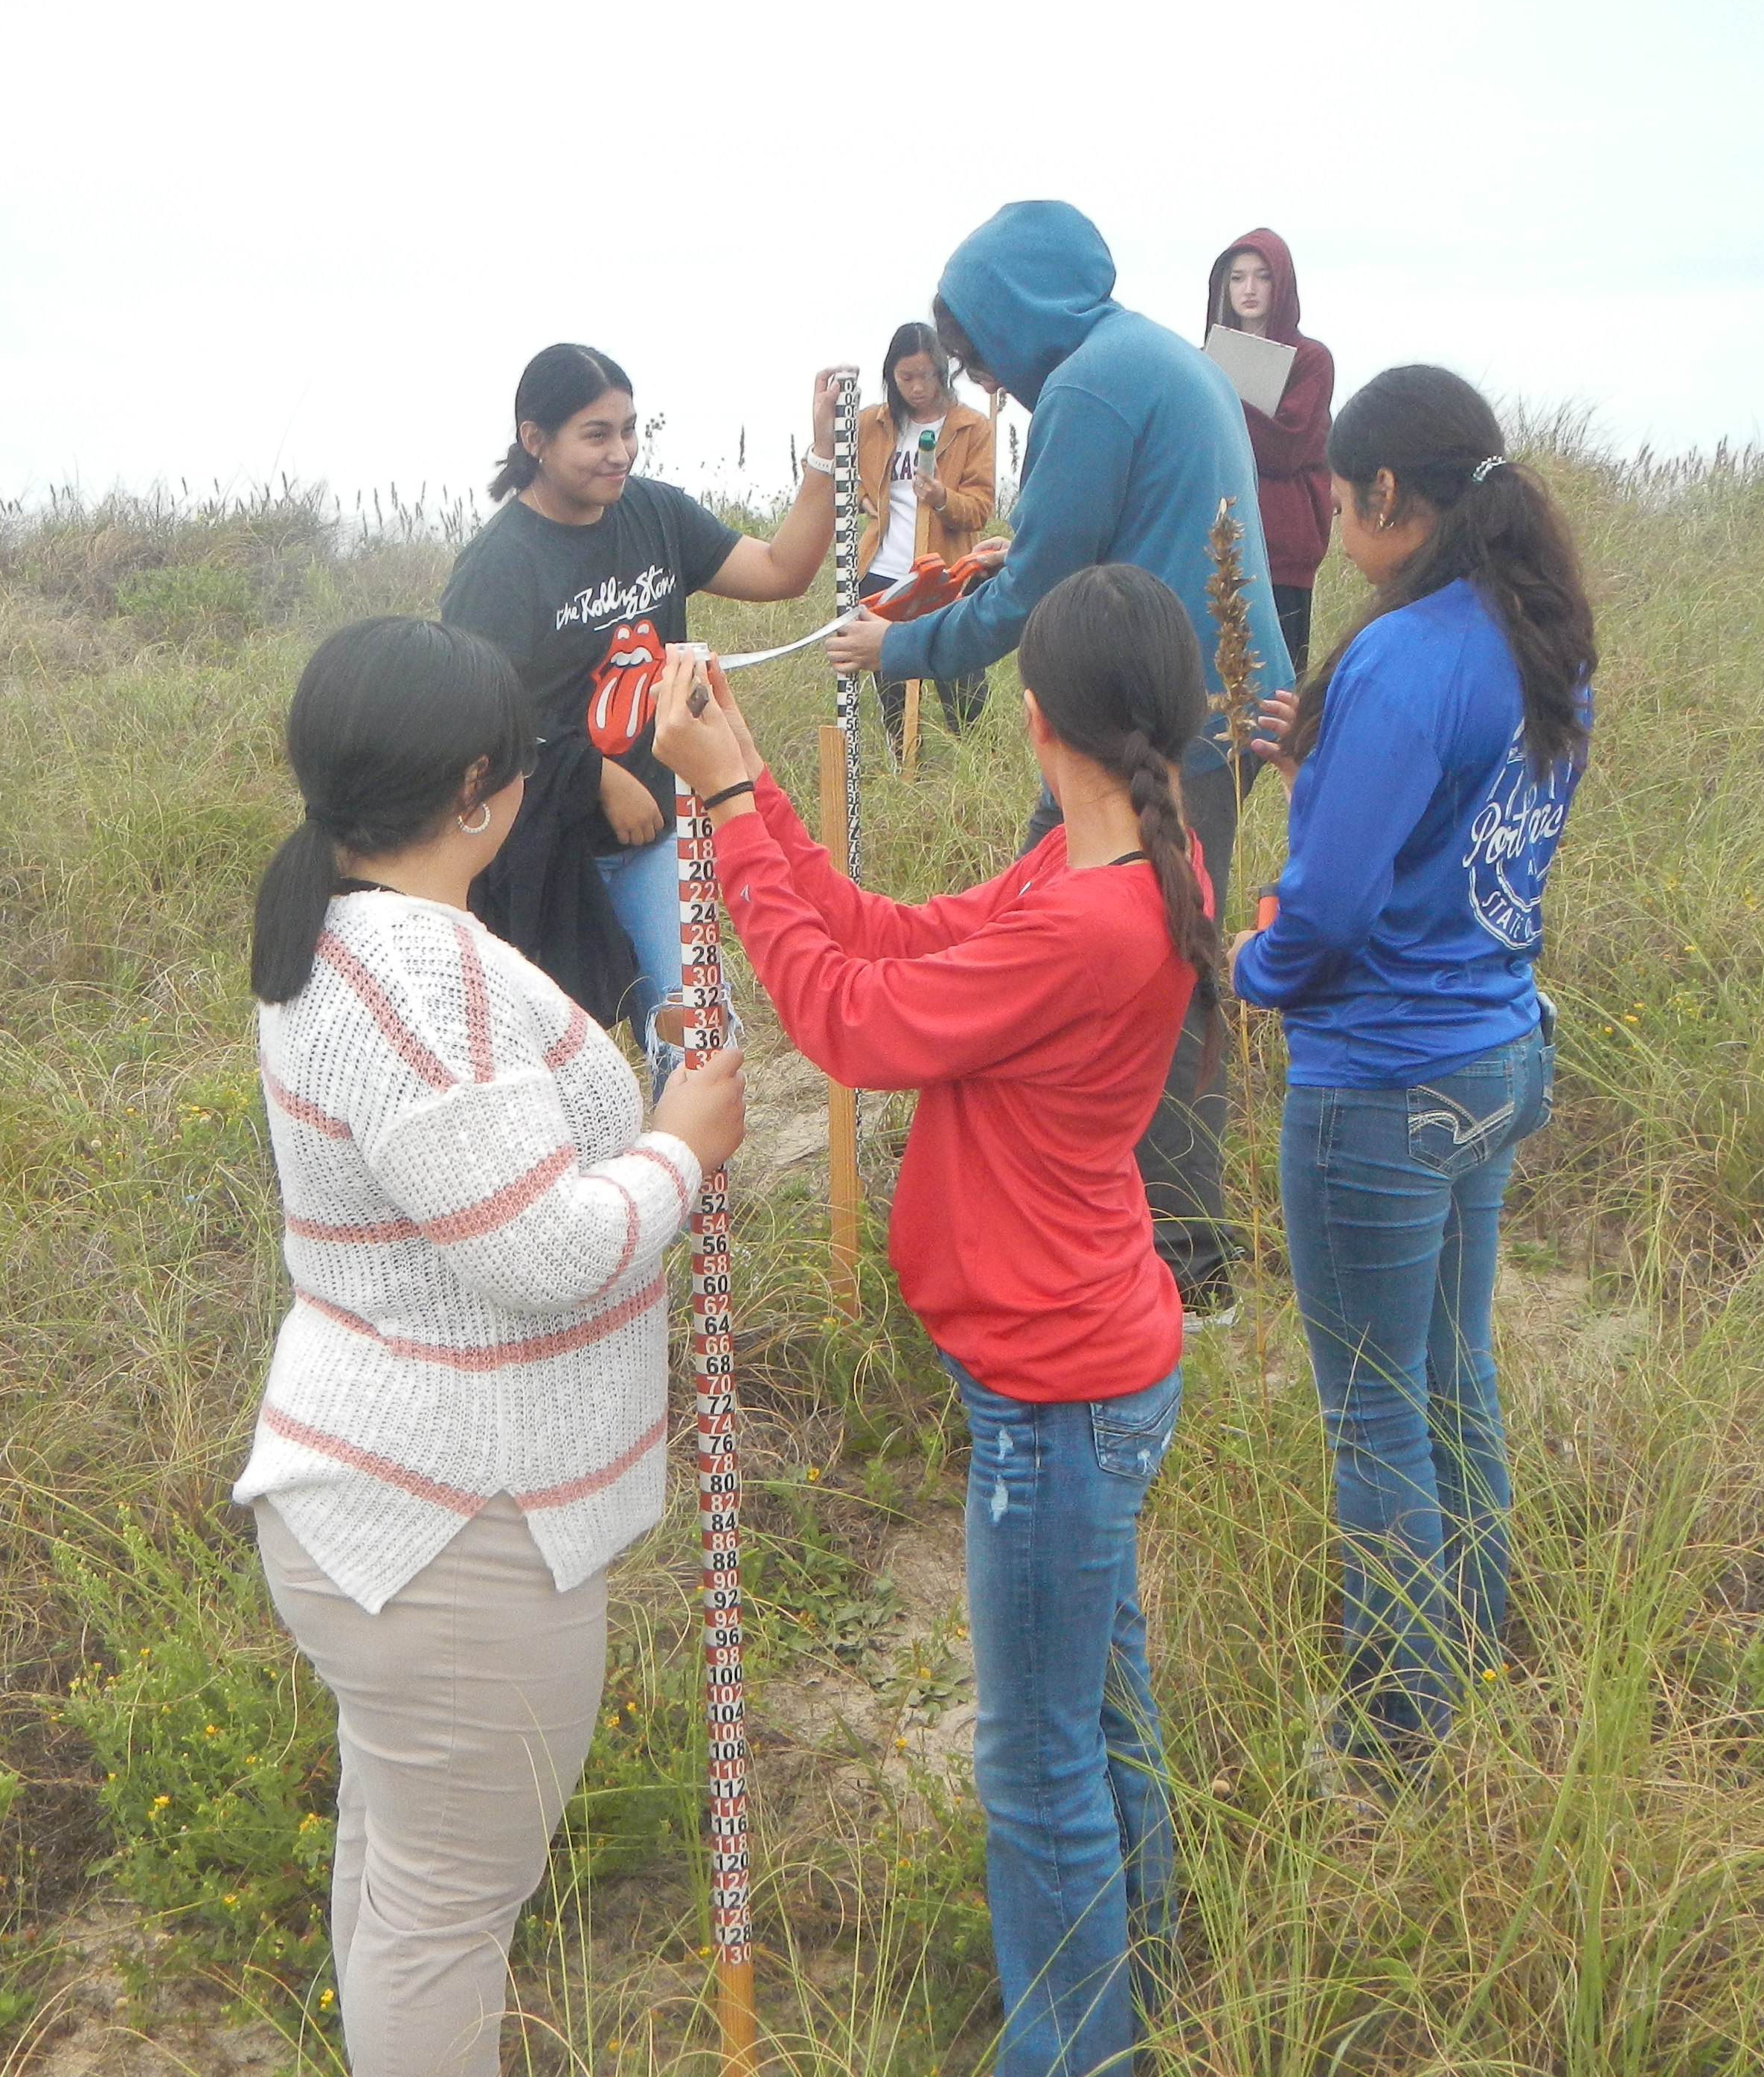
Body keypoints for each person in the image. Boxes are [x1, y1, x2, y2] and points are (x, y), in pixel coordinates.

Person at [653, 562, 1215, 2077]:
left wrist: (733, 799)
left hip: (1057, 1392)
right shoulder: (1111, 863)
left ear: (1036, 717)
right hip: (1088, 1360)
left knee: (1038, 1764)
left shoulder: (1091, 909)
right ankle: (1114, 2047)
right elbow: (896, 945)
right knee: (1098, 1723)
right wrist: (755, 797)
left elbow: (844, 1019)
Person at [240, 615, 748, 2077]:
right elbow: (536, 1250)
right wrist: (682, 1152)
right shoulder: (415, 973)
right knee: (443, 1897)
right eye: (516, 764)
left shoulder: (356, 930)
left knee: (408, 1863)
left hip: (398, 1488)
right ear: (474, 787)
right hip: (454, 1512)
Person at [826, 201, 1295, 1321]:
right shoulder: (1145, 358)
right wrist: (1009, 551)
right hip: (1181, 707)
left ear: (1017, 313)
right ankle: (1080, 1206)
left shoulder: (1088, 383)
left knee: (1143, 973)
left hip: (1153, 724)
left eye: (983, 351)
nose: (987, 379)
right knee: (1087, 945)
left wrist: (898, 645)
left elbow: (1036, 603)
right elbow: (1084, 542)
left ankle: (1183, 1260)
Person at [1232, 367, 1596, 1801]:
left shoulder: (1397, 660)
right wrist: (1319, 756)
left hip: (1380, 1083)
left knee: (1373, 1408)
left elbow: (1319, 917)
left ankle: (1396, 1739)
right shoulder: (1538, 637)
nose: (1332, 514)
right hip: (1497, 1054)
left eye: (1338, 493)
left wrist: (1238, 968)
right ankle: (1475, 1649)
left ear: (1384, 497)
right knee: (1452, 1375)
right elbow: (1453, 823)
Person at [441, 342, 844, 1083]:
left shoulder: (654, 514)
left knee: (695, 1036)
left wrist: (822, 455)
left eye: (629, 430)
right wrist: (595, 775)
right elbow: (475, 718)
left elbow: (783, 571)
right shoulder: (500, 565)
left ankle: (686, 1196)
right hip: (545, 857)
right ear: (536, 440)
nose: (620, 452)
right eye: (597, 434)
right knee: (561, 1066)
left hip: (659, 838)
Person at [857, 320, 998, 738]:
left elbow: (980, 508)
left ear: (943, 371)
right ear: (891, 377)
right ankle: (902, 766)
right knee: (893, 688)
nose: (917, 388)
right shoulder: (872, 424)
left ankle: (976, 770)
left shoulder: (971, 427)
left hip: (945, 573)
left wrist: (940, 497)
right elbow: (841, 476)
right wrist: (862, 499)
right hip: (883, 574)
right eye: (906, 378)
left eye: (927, 376)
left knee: (962, 685)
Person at [1205, 228, 1338, 667]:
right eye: (1238, 277)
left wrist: (1223, 401)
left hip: (1283, 551)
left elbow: (1287, 448)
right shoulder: (1205, 359)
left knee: (1279, 684)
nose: (1249, 289)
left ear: (1281, 284)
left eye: (1262, 277)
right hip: (1220, 543)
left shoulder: (1310, 359)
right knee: (1218, 685)